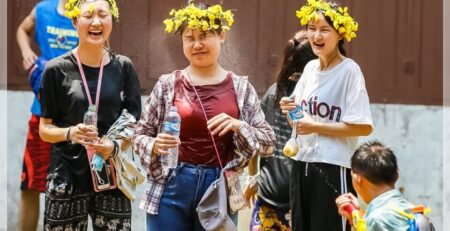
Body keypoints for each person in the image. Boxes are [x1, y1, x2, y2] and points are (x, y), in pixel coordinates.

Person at [132, 2, 276, 231]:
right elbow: (139, 134)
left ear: (222, 35)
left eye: (205, 35)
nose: (197, 44)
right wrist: (155, 144)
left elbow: (269, 143)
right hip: (171, 185)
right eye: (190, 37)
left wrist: (240, 126)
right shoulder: (168, 84)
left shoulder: (240, 88)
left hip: (219, 186)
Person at [38, 0, 141, 230]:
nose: (96, 22)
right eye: (88, 16)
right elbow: (45, 129)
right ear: (75, 21)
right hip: (66, 177)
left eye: (103, 15)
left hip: (112, 176)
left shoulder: (124, 67)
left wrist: (114, 145)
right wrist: (71, 132)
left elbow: (135, 122)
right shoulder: (56, 69)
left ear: (111, 19)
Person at [280, 1, 373, 230]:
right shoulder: (310, 69)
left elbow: (363, 127)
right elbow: (300, 120)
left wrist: (316, 127)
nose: (316, 35)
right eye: (312, 28)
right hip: (302, 163)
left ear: (340, 33)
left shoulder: (350, 71)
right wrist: (290, 109)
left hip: (334, 167)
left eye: (324, 29)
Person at [243, 30, 316, 231]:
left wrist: (252, 177)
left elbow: (256, 140)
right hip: (301, 201)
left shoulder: (274, 91)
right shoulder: (315, 97)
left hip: (269, 196)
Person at [16, 0, 78, 230]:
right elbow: (23, 29)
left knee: (73, 190)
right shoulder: (43, 9)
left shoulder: (88, 12)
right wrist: (27, 54)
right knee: (30, 184)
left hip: (75, 117)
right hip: (41, 113)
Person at [335, 141, 425, 230]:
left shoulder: (376, 219)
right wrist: (356, 216)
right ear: (397, 174)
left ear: (357, 179)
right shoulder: (412, 211)